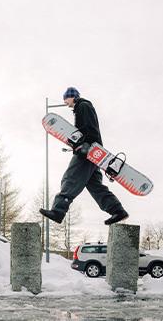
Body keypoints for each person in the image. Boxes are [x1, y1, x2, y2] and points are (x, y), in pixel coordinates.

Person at [40, 87, 129, 225]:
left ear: (73, 96)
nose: (65, 102)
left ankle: (58, 211)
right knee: (95, 187)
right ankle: (117, 211)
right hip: (94, 152)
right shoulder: (83, 107)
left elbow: (89, 127)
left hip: (87, 151)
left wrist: (85, 145)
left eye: (66, 99)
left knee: (70, 178)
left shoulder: (83, 106)